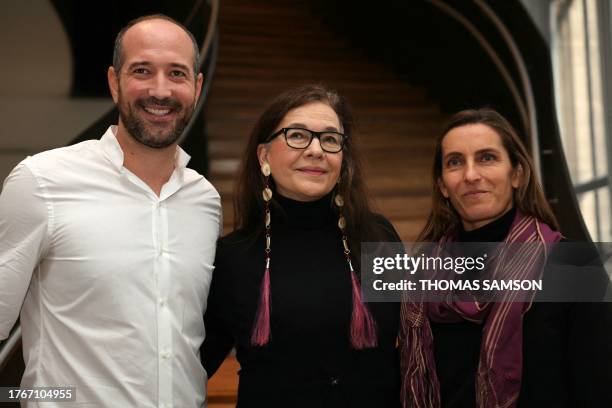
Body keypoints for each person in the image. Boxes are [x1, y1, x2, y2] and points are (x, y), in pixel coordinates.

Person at [0, 15, 221, 407]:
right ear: (114, 82)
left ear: (197, 86)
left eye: (177, 74)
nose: (160, 90)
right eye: (142, 71)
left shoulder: (204, 199)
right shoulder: (42, 181)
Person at [201, 84, 401, 407]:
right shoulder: (233, 257)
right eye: (297, 135)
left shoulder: (378, 238)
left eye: (330, 139)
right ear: (264, 155)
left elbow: (421, 337)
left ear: (343, 159)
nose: (316, 150)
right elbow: (193, 364)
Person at [399, 108, 612, 407]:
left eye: (487, 157)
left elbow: (598, 388)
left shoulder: (574, 265)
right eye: (455, 162)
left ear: (517, 174)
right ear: (443, 185)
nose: (471, 175)